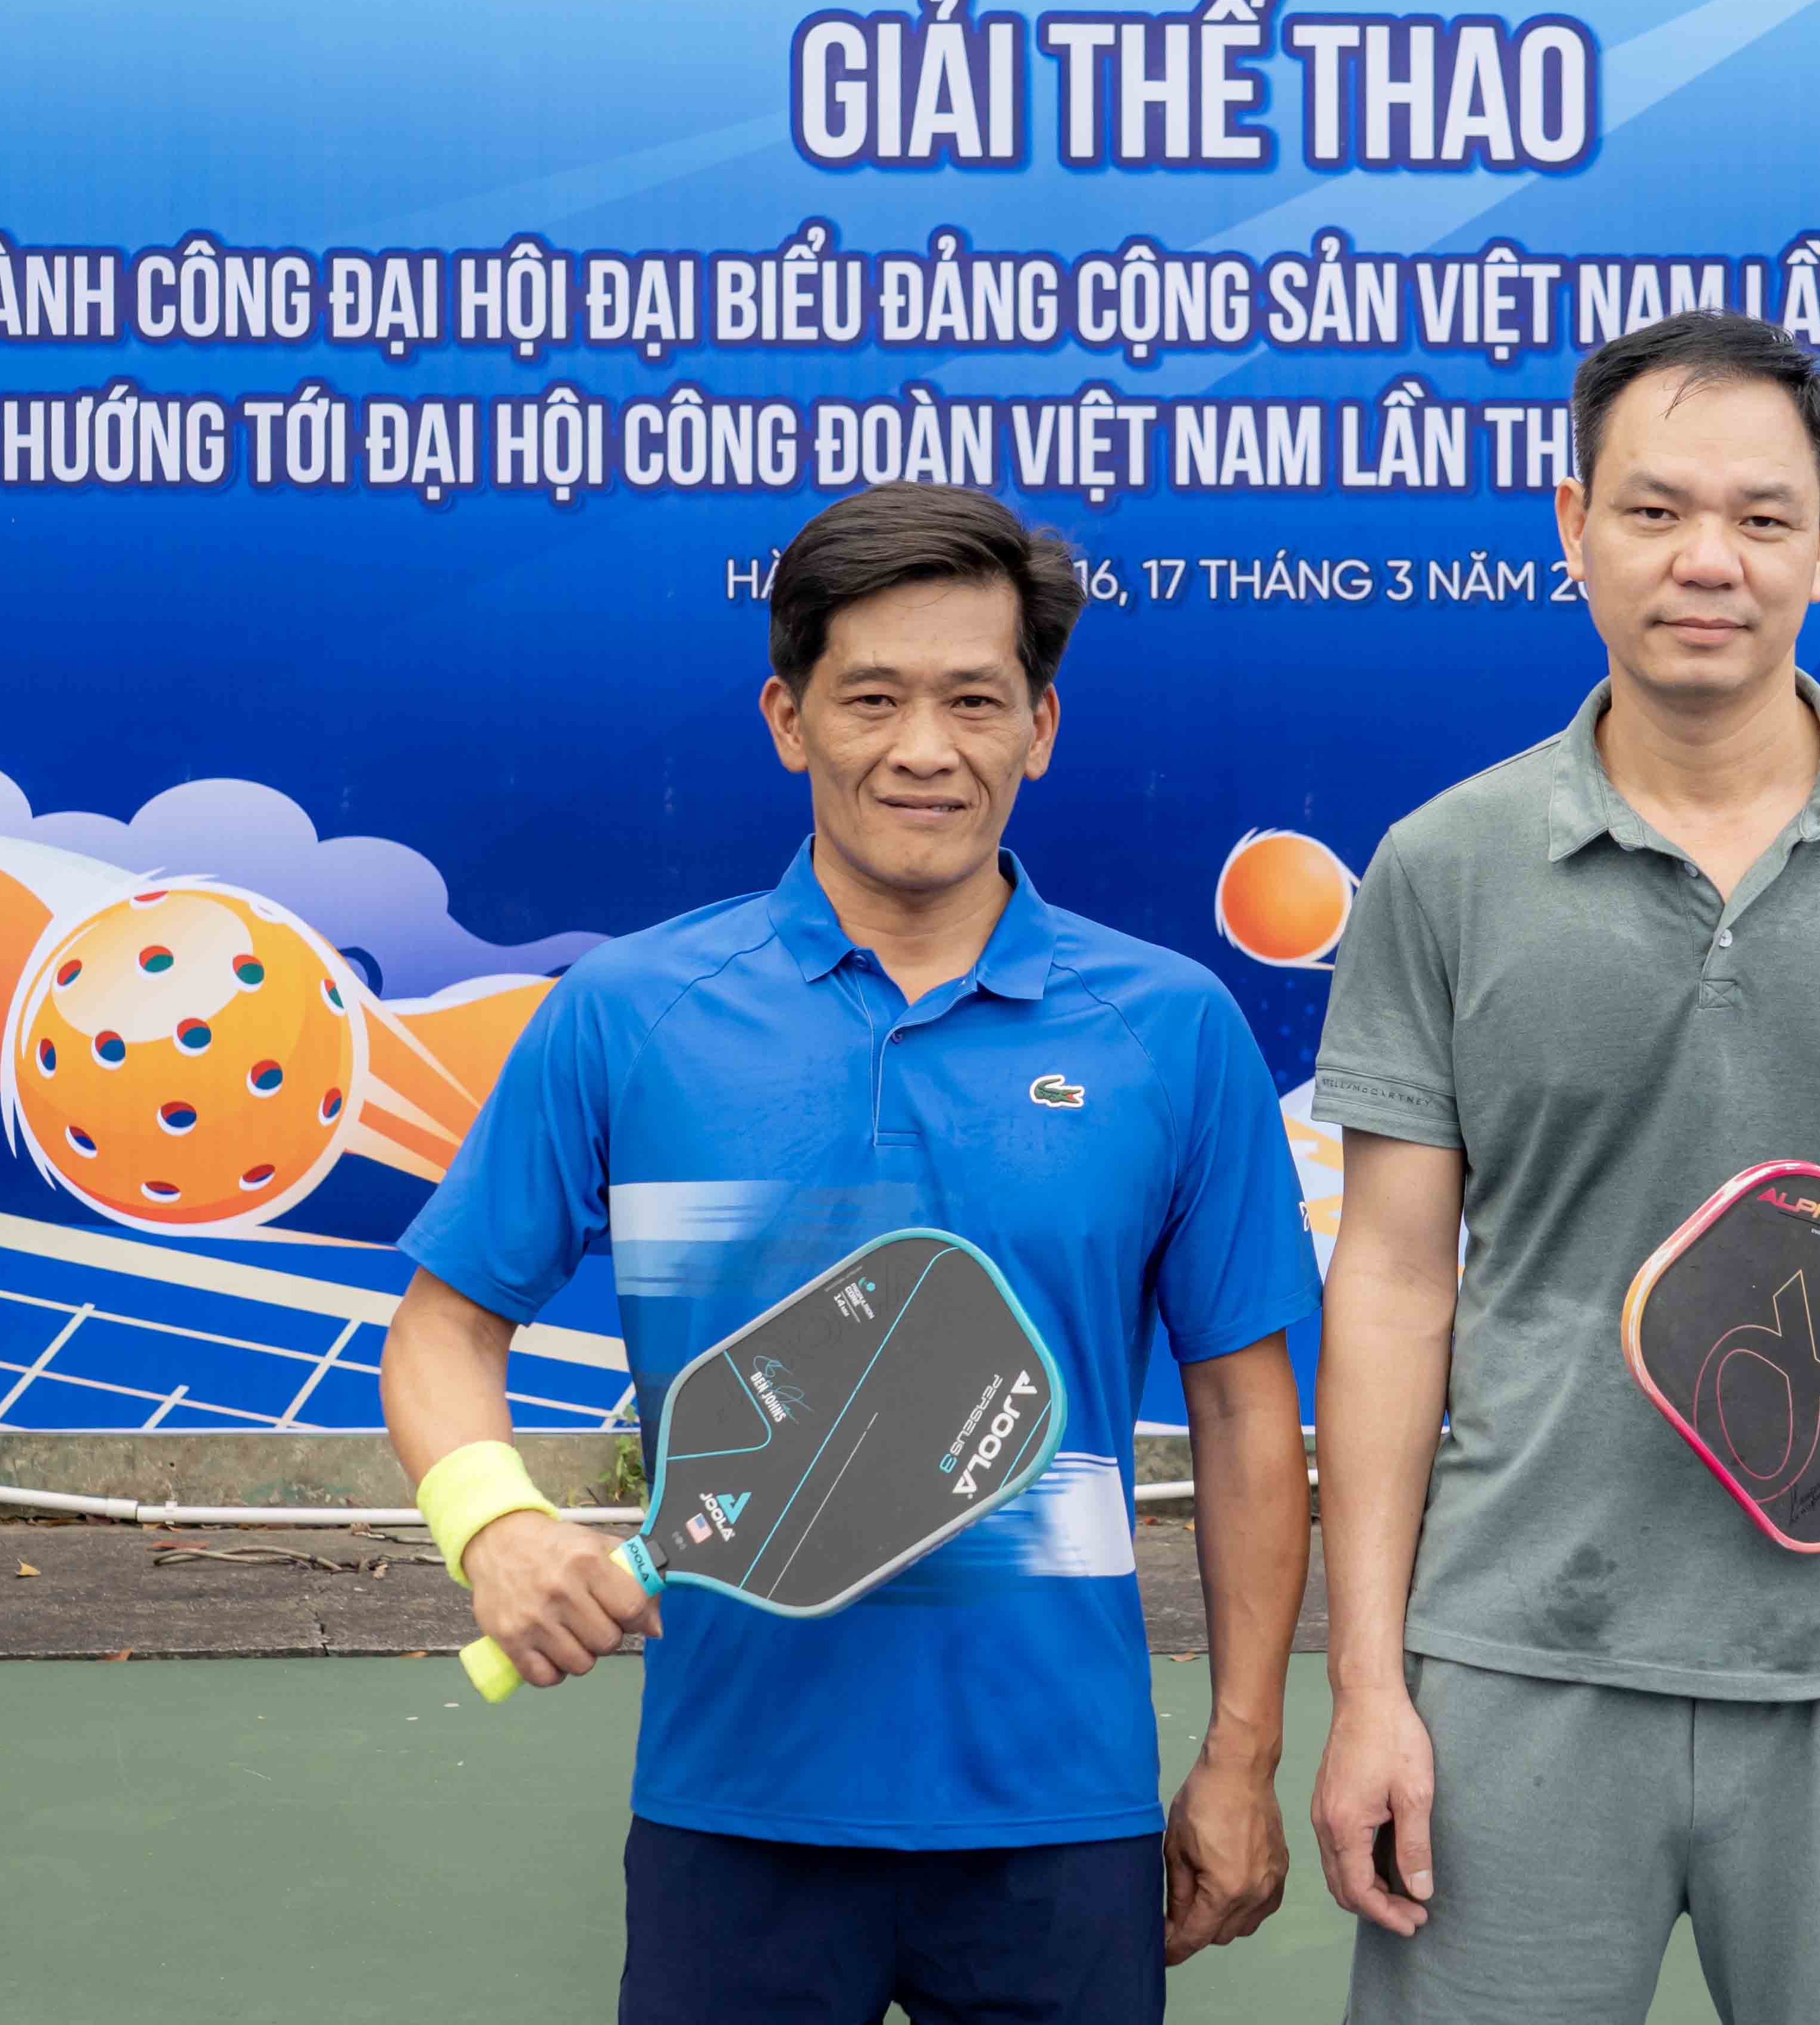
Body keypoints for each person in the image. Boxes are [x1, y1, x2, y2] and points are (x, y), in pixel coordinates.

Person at [379, 484, 1323, 2024]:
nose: (925, 748)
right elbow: (442, 1331)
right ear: (788, 719)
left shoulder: (1171, 1030)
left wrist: (1242, 1752)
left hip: (1061, 1813)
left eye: (975, 699)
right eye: (872, 698)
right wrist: (496, 1527)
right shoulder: (631, 1013)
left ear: (1041, 727)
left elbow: (1241, 1410)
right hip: (732, 1805)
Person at [1303, 309, 1820, 2025]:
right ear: (1572, 523)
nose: (1707, 560)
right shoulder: (1442, 866)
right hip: (1514, 1664)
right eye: (1655, 509)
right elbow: (1390, 1279)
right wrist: (1369, 1684)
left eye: (1761, 517)